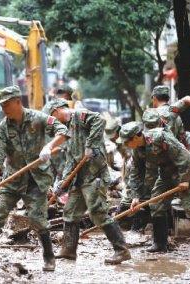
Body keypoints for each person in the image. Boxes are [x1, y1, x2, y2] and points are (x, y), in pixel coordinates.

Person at [0, 85, 69, 271]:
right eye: (1, 105)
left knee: (38, 219)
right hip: (13, 178)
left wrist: (48, 146)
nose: (3, 109)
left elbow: (63, 131)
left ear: (18, 102)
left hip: (37, 180)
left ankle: (49, 258)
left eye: (6, 104)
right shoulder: (3, 128)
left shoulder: (39, 118)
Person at [48, 98, 131, 265]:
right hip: (79, 179)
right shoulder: (67, 131)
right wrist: (62, 184)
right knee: (70, 212)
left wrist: (91, 145)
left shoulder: (78, 115)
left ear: (57, 110)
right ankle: (68, 250)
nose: (54, 121)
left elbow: (99, 120)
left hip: (94, 176)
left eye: (52, 116)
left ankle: (121, 250)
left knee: (97, 212)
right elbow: (71, 161)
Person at [118, 122, 190, 254]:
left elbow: (183, 157)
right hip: (167, 173)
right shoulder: (137, 150)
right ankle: (160, 244)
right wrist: (135, 196)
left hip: (186, 169)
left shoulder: (160, 137)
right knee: (156, 203)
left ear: (136, 137)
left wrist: (185, 180)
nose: (125, 145)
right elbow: (136, 173)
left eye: (126, 142)